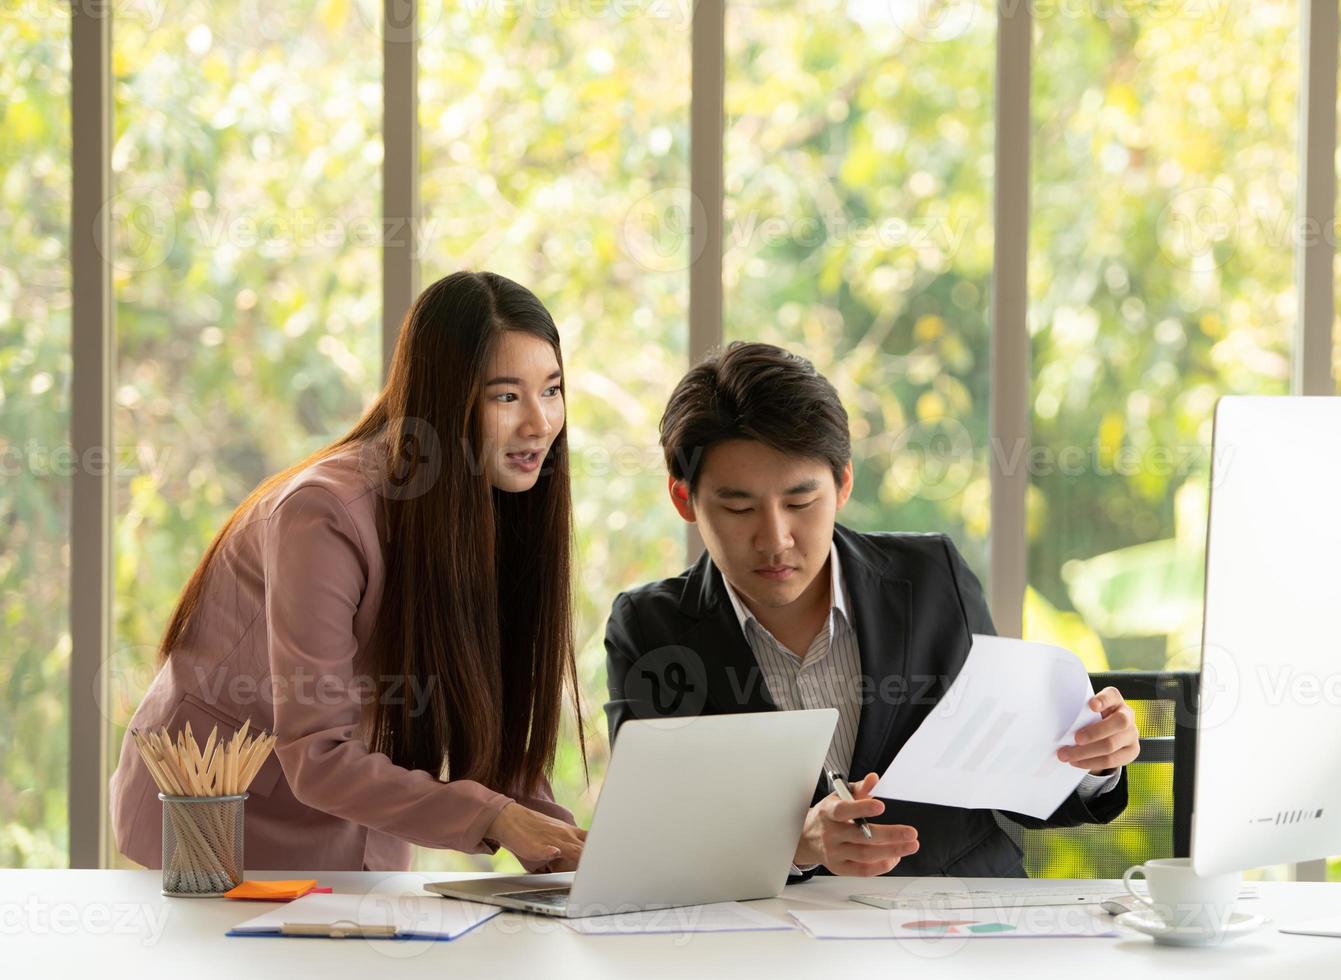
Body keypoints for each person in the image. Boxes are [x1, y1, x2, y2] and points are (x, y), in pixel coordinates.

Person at [110, 271, 588, 873]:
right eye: (506, 396)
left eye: (551, 389)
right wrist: (492, 816)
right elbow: (316, 753)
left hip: (358, 815)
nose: (541, 423)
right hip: (218, 819)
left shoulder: (491, 504)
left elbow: (492, 725)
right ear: (443, 400)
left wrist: (570, 844)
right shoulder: (325, 514)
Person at [603, 342, 1139, 879]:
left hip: (960, 928)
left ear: (843, 483)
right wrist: (793, 845)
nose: (775, 539)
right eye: (738, 507)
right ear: (683, 499)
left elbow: (1018, 776)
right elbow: (653, 843)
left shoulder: (932, 576)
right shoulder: (651, 628)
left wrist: (1094, 762)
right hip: (771, 948)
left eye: (800, 502)